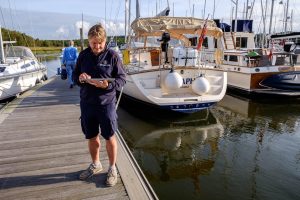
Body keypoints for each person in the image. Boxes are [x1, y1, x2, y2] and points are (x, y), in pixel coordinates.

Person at [73, 24, 126, 187]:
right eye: (93, 43)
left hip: (106, 104)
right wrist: (80, 78)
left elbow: (122, 79)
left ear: (105, 41)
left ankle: (112, 168)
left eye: (100, 43)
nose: (96, 47)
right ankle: (96, 164)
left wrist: (107, 86)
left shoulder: (113, 56)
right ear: (89, 41)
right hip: (87, 104)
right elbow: (74, 77)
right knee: (92, 136)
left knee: (109, 136)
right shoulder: (83, 55)